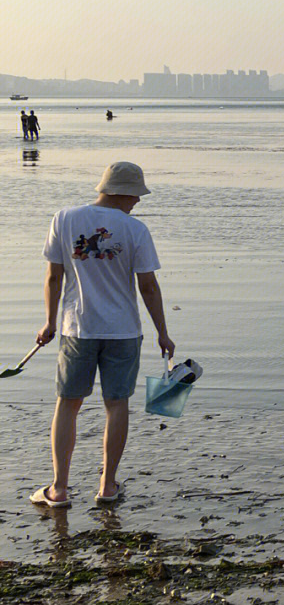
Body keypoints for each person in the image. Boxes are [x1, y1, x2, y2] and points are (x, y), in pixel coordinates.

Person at [31, 162, 175, 508]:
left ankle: (59, 490)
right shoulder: (135, 229)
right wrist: (163, 333)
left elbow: (54, 278)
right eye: (136, 195)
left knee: (68, 404)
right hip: (123, 331)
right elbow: (149, 287)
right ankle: (107, 486)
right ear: (123, 192)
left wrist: (49, 322)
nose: (138, 202)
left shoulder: (64, 218)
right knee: (116, 404)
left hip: (77, 327)